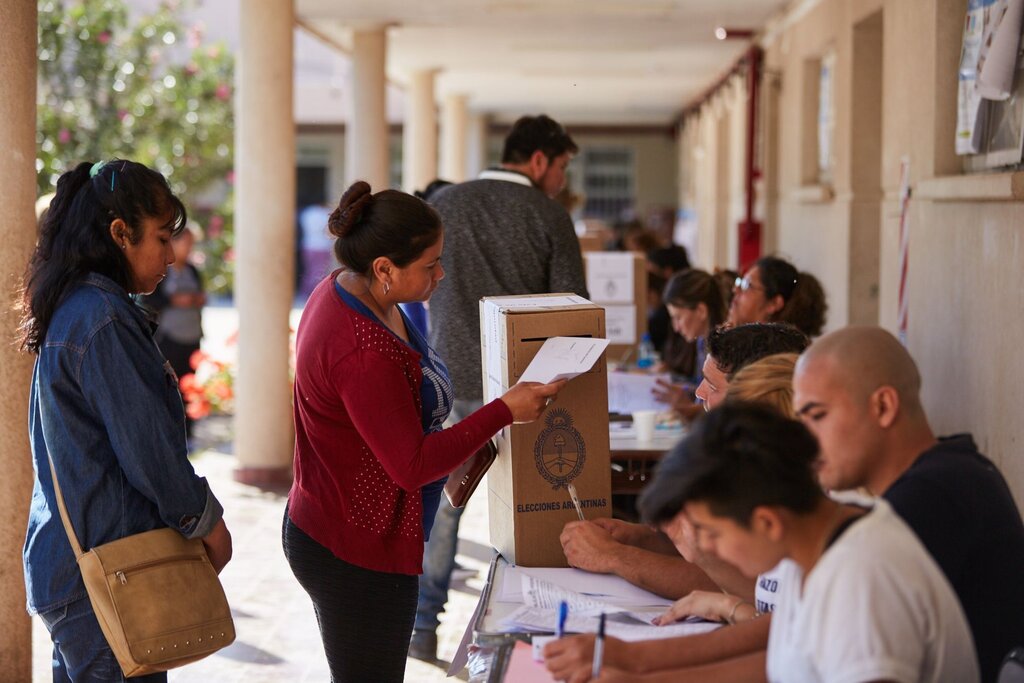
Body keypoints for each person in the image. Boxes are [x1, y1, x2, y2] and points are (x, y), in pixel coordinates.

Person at [281, 181, 565, 682]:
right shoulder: (363, 350)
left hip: (349, 523)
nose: (441, 273)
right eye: (429, 265)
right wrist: (503, 410)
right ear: (385, 268)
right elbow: (409, 466)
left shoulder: (357, 289)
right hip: (355, 548)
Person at [19, 159, 233, 681]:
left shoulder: (79, 307)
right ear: (120, 233)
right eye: (161, 237)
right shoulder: (103, 318)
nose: (170, 254)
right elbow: (150, 453)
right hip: (108, 577)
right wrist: (206, 522)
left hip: (79, 571)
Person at [617, 403, 979, 683]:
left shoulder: (861, 580)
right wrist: (638, 668)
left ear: (766, 522)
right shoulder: (810, 539)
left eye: (712, 534)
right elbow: (783, 658)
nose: (708, 551)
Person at [411, 114, 588, 661]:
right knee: (531, 507)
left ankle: (421, 625)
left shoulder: (445, 206)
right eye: (560, 167)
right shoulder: (549, 214)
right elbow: (573, 308)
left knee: (443, 505)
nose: (560, 179)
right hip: (529, 389)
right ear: (539, 161)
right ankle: (521, 635)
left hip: (452, 379)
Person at [546, 354, 803, 682]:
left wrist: (639, 667)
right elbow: (777, 634)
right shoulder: (798, 533)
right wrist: (730, 608)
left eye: (714, 532)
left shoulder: (844, 561)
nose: (697, 394)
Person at [793, 326, 1024, 683]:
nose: (804, 441)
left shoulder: (934, 494)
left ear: (883, 407)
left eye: (817, 416)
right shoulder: (950, 471)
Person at [558, 324, 811, 608]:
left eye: (713, 385)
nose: (699, 393)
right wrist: (637, 538)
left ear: (757, 394)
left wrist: (614, 556)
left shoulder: (789, 472)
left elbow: (741, 585)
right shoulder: (745, 455)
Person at [144, 225, 206, 439]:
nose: (188, 248)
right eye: (185, 243)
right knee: (168, 386)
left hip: (191, 335)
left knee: (190, 386)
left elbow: (200, 295)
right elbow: (149, 300)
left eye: (191, 244)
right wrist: (173, 301)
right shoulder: (162, 270)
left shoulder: (193, 270)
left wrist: (197, 300)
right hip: (168, 337)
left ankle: (189, 430)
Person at [651, 268, 727, 420]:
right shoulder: (701, 343)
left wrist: (687, 405)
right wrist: (684, 390)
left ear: (700, 311)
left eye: (678, 317)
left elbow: (725, 405)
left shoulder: (723, 349)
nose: (676, 327)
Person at [728, 256, 827, 337]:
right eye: (740, 282)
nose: (736, 290)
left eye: (747, 285)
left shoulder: (777, 357)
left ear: (774, 303)